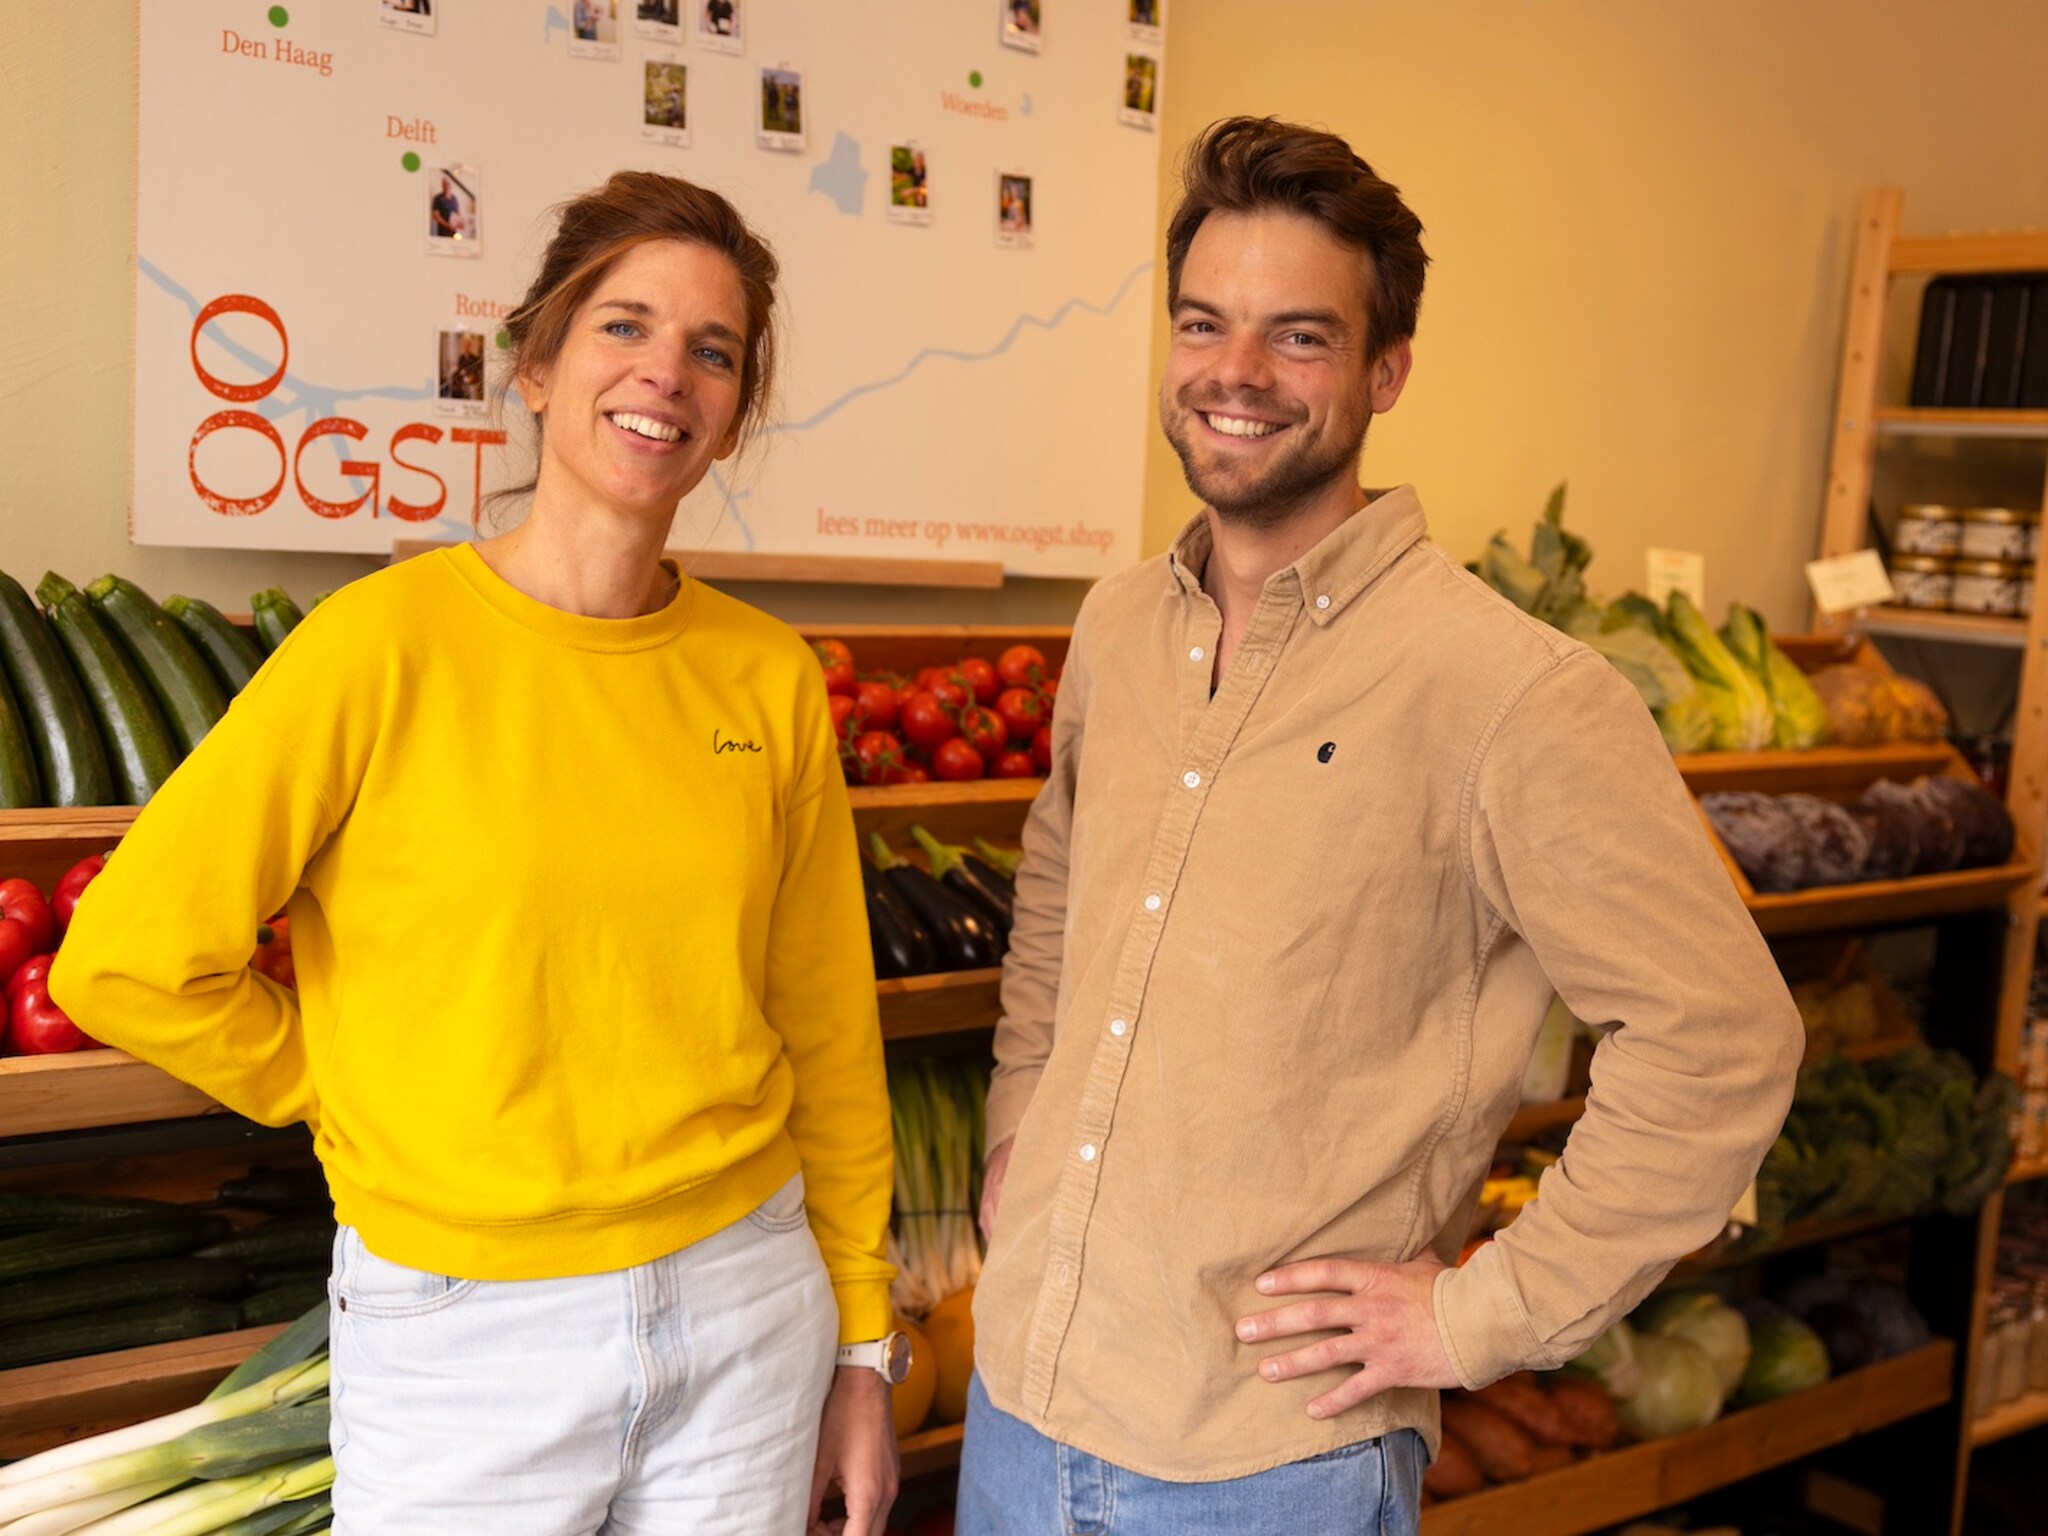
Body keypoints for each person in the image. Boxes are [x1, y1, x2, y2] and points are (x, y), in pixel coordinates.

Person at [958, 116, 1803, 1534]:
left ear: (1384, 371)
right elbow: (1058, 885)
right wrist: (1016, 1125)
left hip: (1270, 1467)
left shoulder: (1511, 694)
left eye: (1299, 336)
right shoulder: (1118, 627)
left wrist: (1486, 1317)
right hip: (1019, 1405)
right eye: (1205, 324)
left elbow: (1720, 1039)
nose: (1235, 374)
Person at [53, 171, 902, 1536]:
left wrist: (865, 1349)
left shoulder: (767, 678)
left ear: (735, 414)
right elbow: (129, 960)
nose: (665, 376)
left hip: (750, 1305)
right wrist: (348, 1086)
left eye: (714, 350)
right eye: (623, 327)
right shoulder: (376, 648)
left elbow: (827, 1031)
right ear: (537, 363)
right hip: (464, 1334)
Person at [429, 174, 460, 239]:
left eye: (448, 184)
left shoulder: (454, 198)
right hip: (442, 232)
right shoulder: (437, 198)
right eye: (444, 184)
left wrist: (459, 222)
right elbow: (436, 216)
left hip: (454, 231)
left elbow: (458, 212)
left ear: (451, 186)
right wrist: (447, 225)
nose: (446, 186)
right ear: (442, 185)